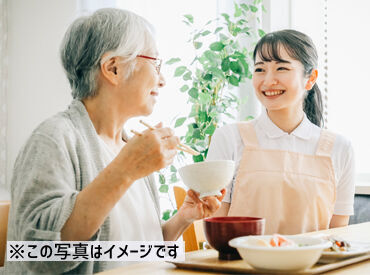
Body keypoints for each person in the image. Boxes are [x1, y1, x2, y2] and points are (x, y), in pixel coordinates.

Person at [5, 8, 225, 274]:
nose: (163, 79)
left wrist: (182, 219)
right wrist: (126, 169)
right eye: (155, 63)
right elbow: (38, 255)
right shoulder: (53, 139)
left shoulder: (129, 146)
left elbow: (137, 251)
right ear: (113, 68)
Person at [208, 29, 355, 235]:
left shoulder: (340, 148)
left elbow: (337, 235)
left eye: (281, 68)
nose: (268, 81)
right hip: (241, 265)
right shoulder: (229, 139)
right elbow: (217, 227)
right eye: (260, 69)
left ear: (310, 78)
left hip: (312, 266)